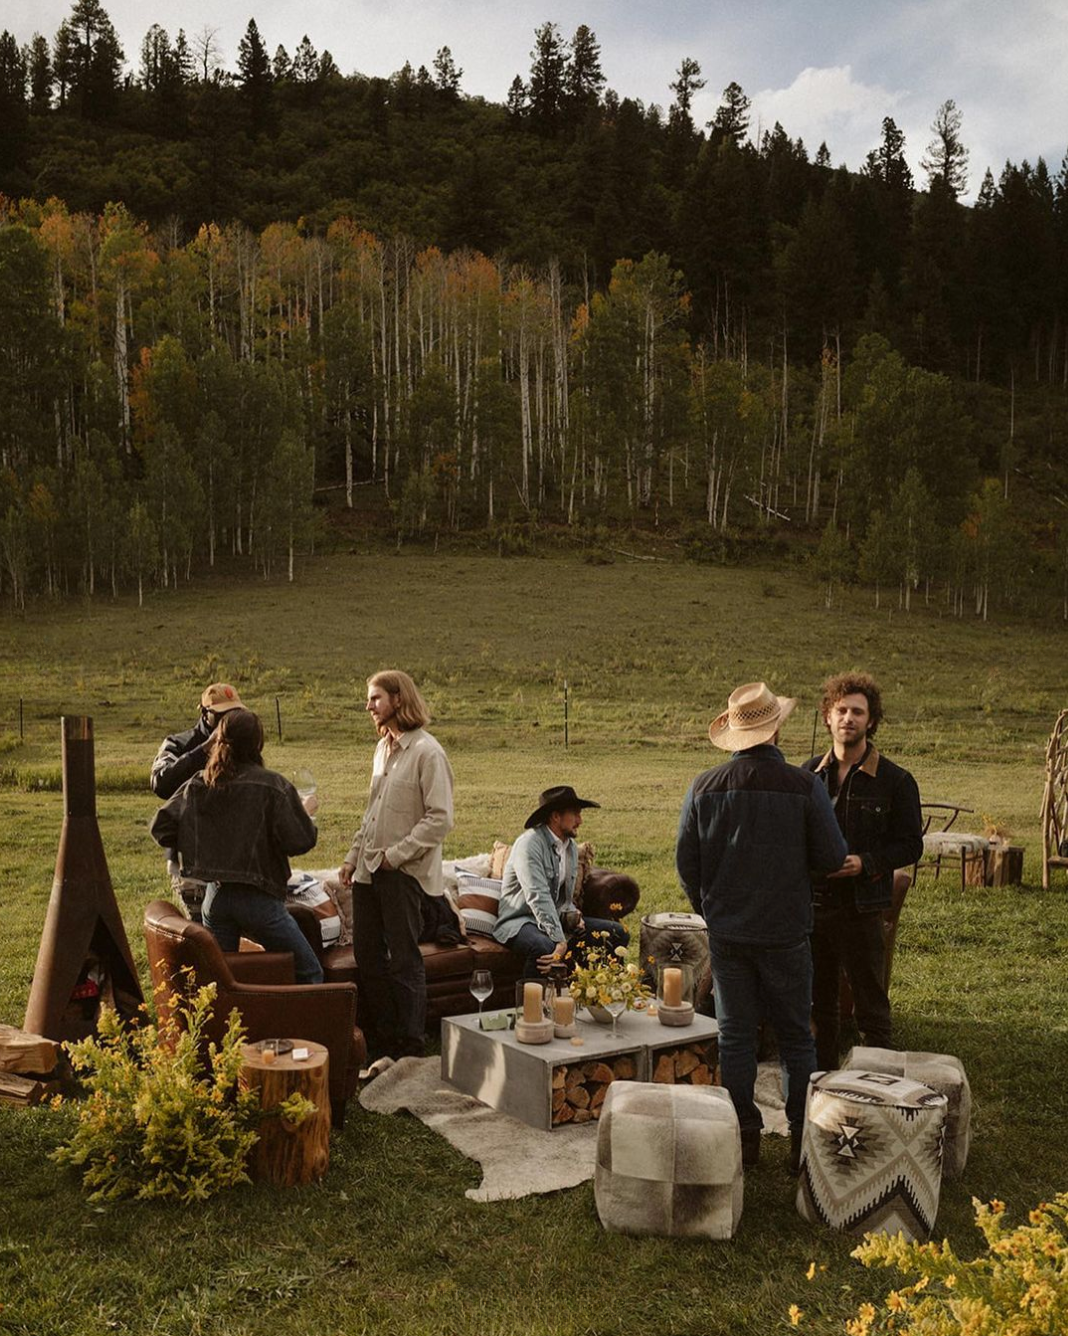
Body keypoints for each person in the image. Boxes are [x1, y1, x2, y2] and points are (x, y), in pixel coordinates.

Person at [676, 682, 847, 1170]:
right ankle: (800, 1135)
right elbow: (833, 856)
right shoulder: (804, 785)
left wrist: (708, 905)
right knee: (796, 1035)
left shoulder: (703, 787)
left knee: (734, 1036)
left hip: (729, 933)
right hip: (787, 931)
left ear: (733, 731)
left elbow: (687, 863)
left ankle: (744, 1137)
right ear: (776, 728)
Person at [803, 671, 923, 1072]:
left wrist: (864, 863)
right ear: (827, 717)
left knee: (871, 1006)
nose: (848, 718)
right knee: (821, 1003)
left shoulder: (895, 781)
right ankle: (822, 1085)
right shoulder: (807, 775)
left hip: (862, 908)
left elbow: (911, 844)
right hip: (816, 906)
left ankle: (883, 1088)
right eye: (841, 710)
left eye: (858, 711)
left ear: (871, 721)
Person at [149, 707, 324, 984]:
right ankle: (306, 1026)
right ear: (258, 743)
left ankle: (227, 1026)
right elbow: (301, 840)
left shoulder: (201, 782)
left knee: (221, 980)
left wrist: (201, 845)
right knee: (309, 971)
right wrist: (306, 814)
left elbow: (161, 827)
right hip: (260, 899)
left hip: (215, 897)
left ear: (219, 740)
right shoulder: (274, 786)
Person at [338, 670, 454, 1064]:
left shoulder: (427, 752)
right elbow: (372, 814)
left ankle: (410, 1045)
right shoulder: (382, 750)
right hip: (369, 872)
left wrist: (397, 855)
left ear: (398, 700)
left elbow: (440, 818)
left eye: (375, 698)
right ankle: (384, 1037)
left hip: (402, 874)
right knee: (368, 956)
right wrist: (353, 858)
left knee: (405, 958)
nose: (368, 706)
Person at [494, 785, 630, 979]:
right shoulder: (529, 844)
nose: (580, 821)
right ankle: (530, 1006)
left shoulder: (570, 847)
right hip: (521, 921)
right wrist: (559, 940)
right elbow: (537, 896)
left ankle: (599, 996)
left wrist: (573, 916)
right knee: (544, 947)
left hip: (553, 920)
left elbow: (563, 900)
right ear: (555, 816)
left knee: (616, 934)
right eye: (575, 814)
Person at [150, 682, 246, 921]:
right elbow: (160, 782)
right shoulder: (178, 743)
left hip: (232, 863)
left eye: (234, 714)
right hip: (191, 866)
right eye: (221, 714)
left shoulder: (240, 749)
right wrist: (204, 750)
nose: (228, 721)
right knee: (202, 936)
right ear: (205, 714)